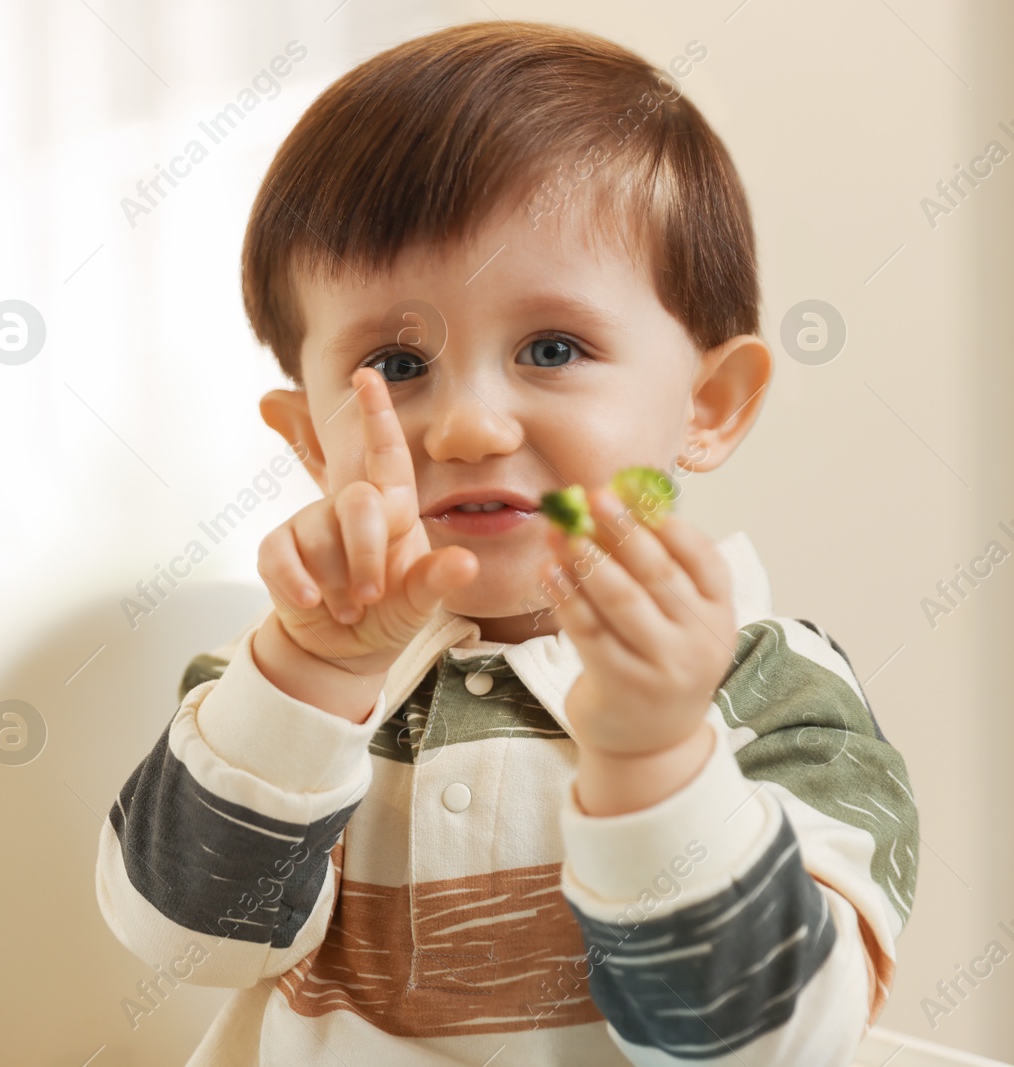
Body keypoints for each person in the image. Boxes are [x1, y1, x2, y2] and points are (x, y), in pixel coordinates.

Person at [95, 20, 917, 1066]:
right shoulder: (286, 685)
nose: (469, 426)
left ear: (706, 405)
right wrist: (309, 668)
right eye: (395, 364)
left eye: (552, 347)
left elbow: (770, 1041)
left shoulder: (767, 688)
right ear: (311, 440)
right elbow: (179, 938)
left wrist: (653, 756)